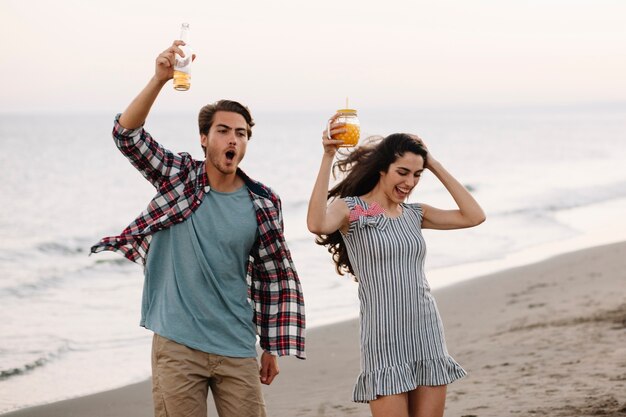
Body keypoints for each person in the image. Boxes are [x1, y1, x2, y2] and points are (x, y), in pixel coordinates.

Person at [90, 40, 305, 417]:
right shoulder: (178, 178)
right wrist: (159, 80)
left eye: (241, 133)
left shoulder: (262, 202)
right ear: (204, 138)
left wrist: (270, 346)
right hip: (177, 343)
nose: (233, 139)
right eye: (223, 131)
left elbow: (273, 277)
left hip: (237, 343)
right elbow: (127, 136)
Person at [307, 115, 485, 417]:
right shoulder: (354, 209)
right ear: (382, 168)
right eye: (402, 172)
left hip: (426, 330)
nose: (410, 183)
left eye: (417, 175)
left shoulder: (415, 214)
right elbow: (316, 223)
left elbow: (473, 215)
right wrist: (327, 157)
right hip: (383, 337)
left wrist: (434, 164)